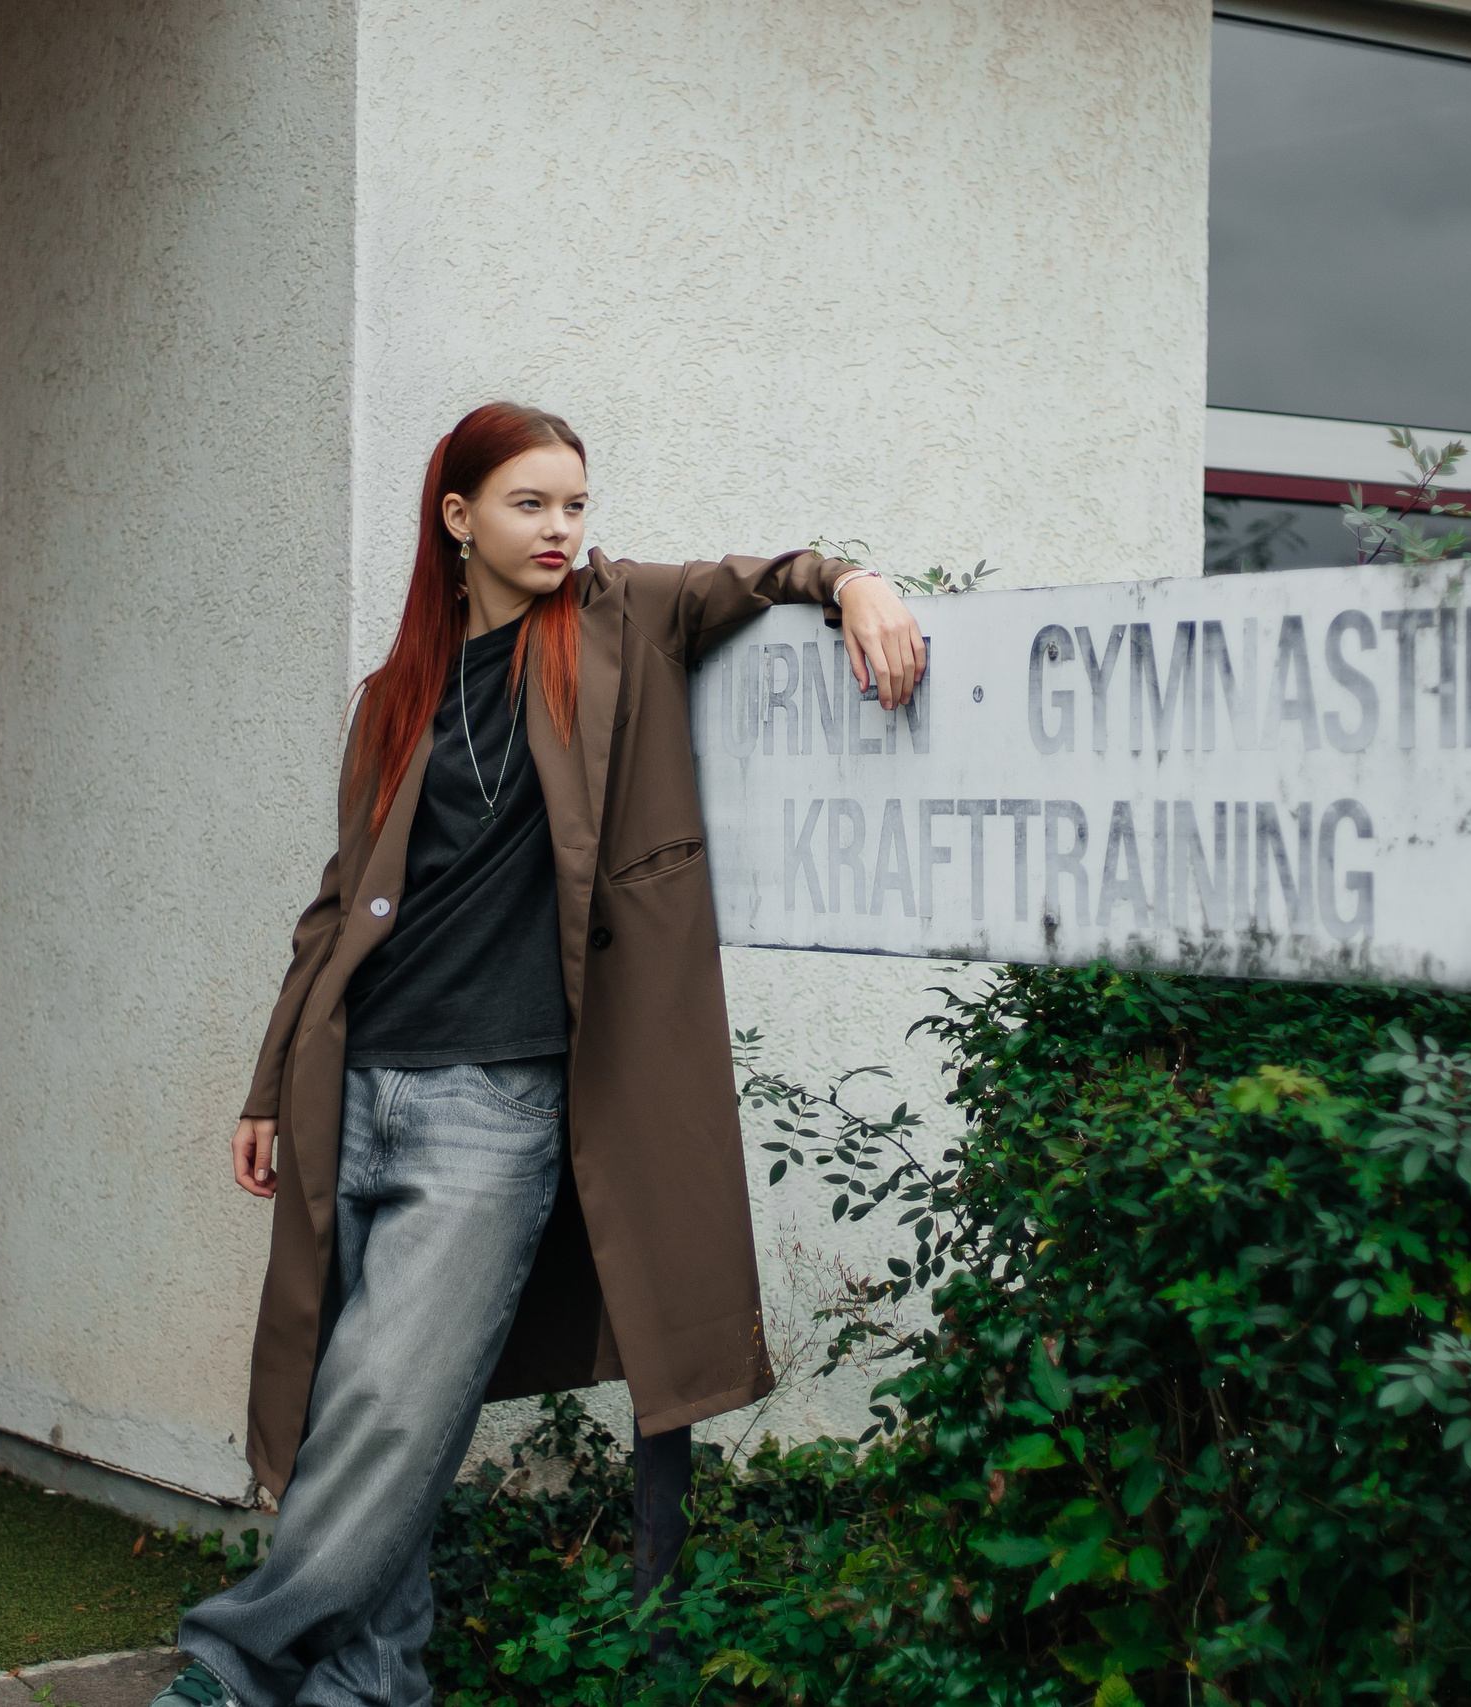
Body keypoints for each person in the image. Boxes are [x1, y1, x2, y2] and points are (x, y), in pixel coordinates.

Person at [155, 402, 925, 1707]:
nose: (562, 527)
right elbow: (339, 904)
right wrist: (268, 1083)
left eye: (575, 502)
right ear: (459, 518)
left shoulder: (625, 621)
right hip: (356, 1082)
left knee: (391, 1411)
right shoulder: (398, 694)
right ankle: (370, 1688)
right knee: (364, 1415)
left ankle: (235, 1659)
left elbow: (767, 576)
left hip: (494, 1105)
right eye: (531, 504)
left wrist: (859, 584)